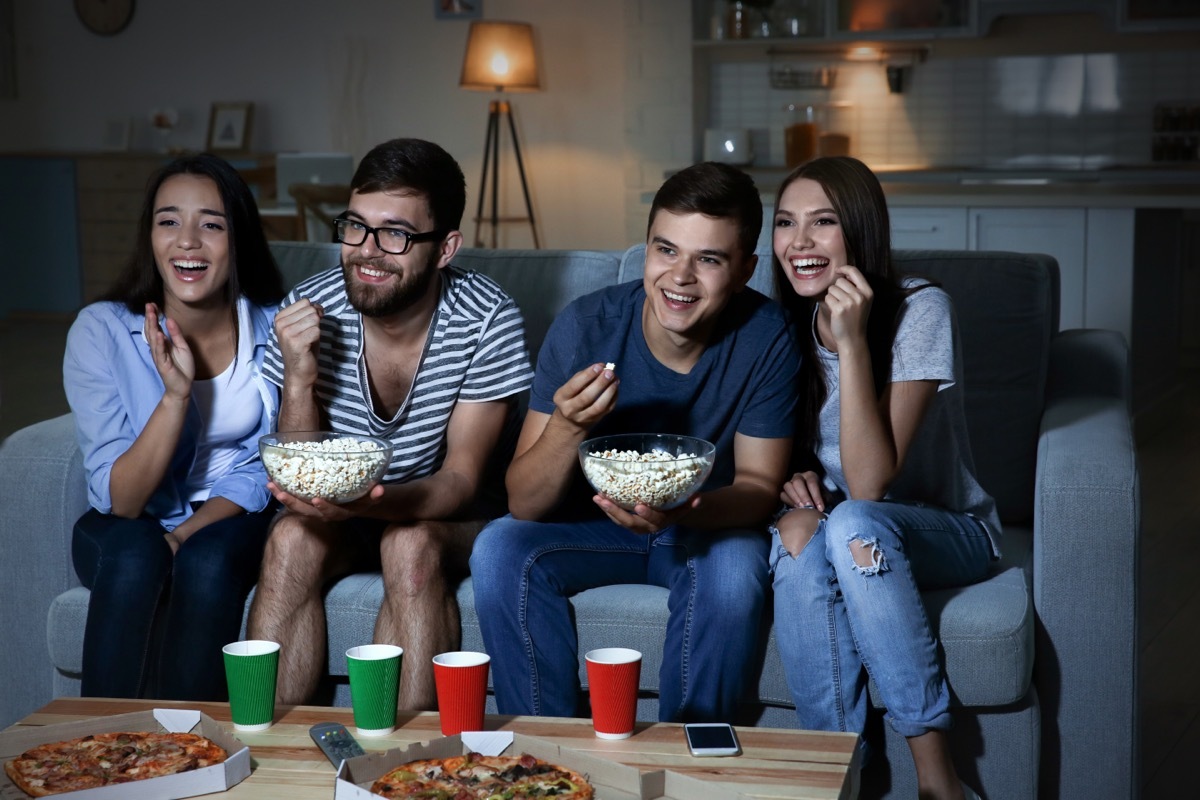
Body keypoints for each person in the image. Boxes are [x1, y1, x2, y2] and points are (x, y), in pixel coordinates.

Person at [469, 162, 800, 723]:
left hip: (704, 525)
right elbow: (523, 503)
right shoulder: (585, 326)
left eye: (709, 259)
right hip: (592, 526)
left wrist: (683, 510)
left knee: (735, 570)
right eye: (666, 250)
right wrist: (568, 428)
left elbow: (760, 486)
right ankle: (544, 751)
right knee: (499, 547)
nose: (680, 276)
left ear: (745, 270)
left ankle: (688, 761)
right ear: (645, 249)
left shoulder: (767, 336)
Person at [246, 138, 533, 710]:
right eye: (355, 227)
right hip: (346, 510)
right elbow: (304, 476)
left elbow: (460, 482)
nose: (367, 252)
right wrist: (300, 377)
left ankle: (407, 771)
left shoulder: (487, 319)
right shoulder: (310, 305)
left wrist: (367, 504)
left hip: (449, 514)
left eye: (395, 234)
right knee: (288, 537)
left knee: (409, 543)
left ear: (445, 247)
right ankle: (263, 756)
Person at [768, 156, 999, 800]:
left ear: (861, 232)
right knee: (798, 552)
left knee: (853, 521)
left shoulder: (922, 309)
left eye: (823, 223)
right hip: (845, 527)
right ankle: (838, 779)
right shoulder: (778, 322)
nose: (800, 242)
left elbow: (870, 483)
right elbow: (766, 445)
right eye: (786, 223)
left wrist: (852, 342)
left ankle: (937, 777)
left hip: (948, 531)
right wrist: (790, 480)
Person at [64, 152, 286, 700]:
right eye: (169, 221)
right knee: (138, 552)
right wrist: (176, 395)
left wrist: (185, 535)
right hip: (129, 516)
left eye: (210, 224)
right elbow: (123, 501)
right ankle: (98, 750)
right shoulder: (101, 330)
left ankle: (195, 750)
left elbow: (269, 463)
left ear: (239, 239)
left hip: (228, 514)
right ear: (150, 237)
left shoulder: (277, 326)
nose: (187, 241)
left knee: (207, 562)